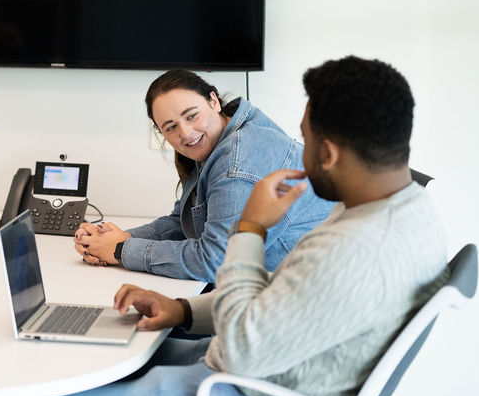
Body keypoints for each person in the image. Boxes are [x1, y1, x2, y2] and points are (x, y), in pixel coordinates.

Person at [14, 56, 449, 396]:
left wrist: (250, 229)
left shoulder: (355, 246)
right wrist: (183, 310)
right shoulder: (393, 210)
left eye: (304, 142)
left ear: (330, 152)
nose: (294, 155)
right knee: (92, 365)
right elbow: (282, 295)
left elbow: (240, 348)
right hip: (286, 379)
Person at [74, 68, 332, 281]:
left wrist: (120, 249)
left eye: (192, 115)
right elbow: (182, 223)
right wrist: (110, 239)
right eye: (171, 127)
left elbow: (215, 260)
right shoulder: (217, 141)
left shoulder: (237, 162)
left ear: (214, 101)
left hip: (295, 297)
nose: (185, 133)